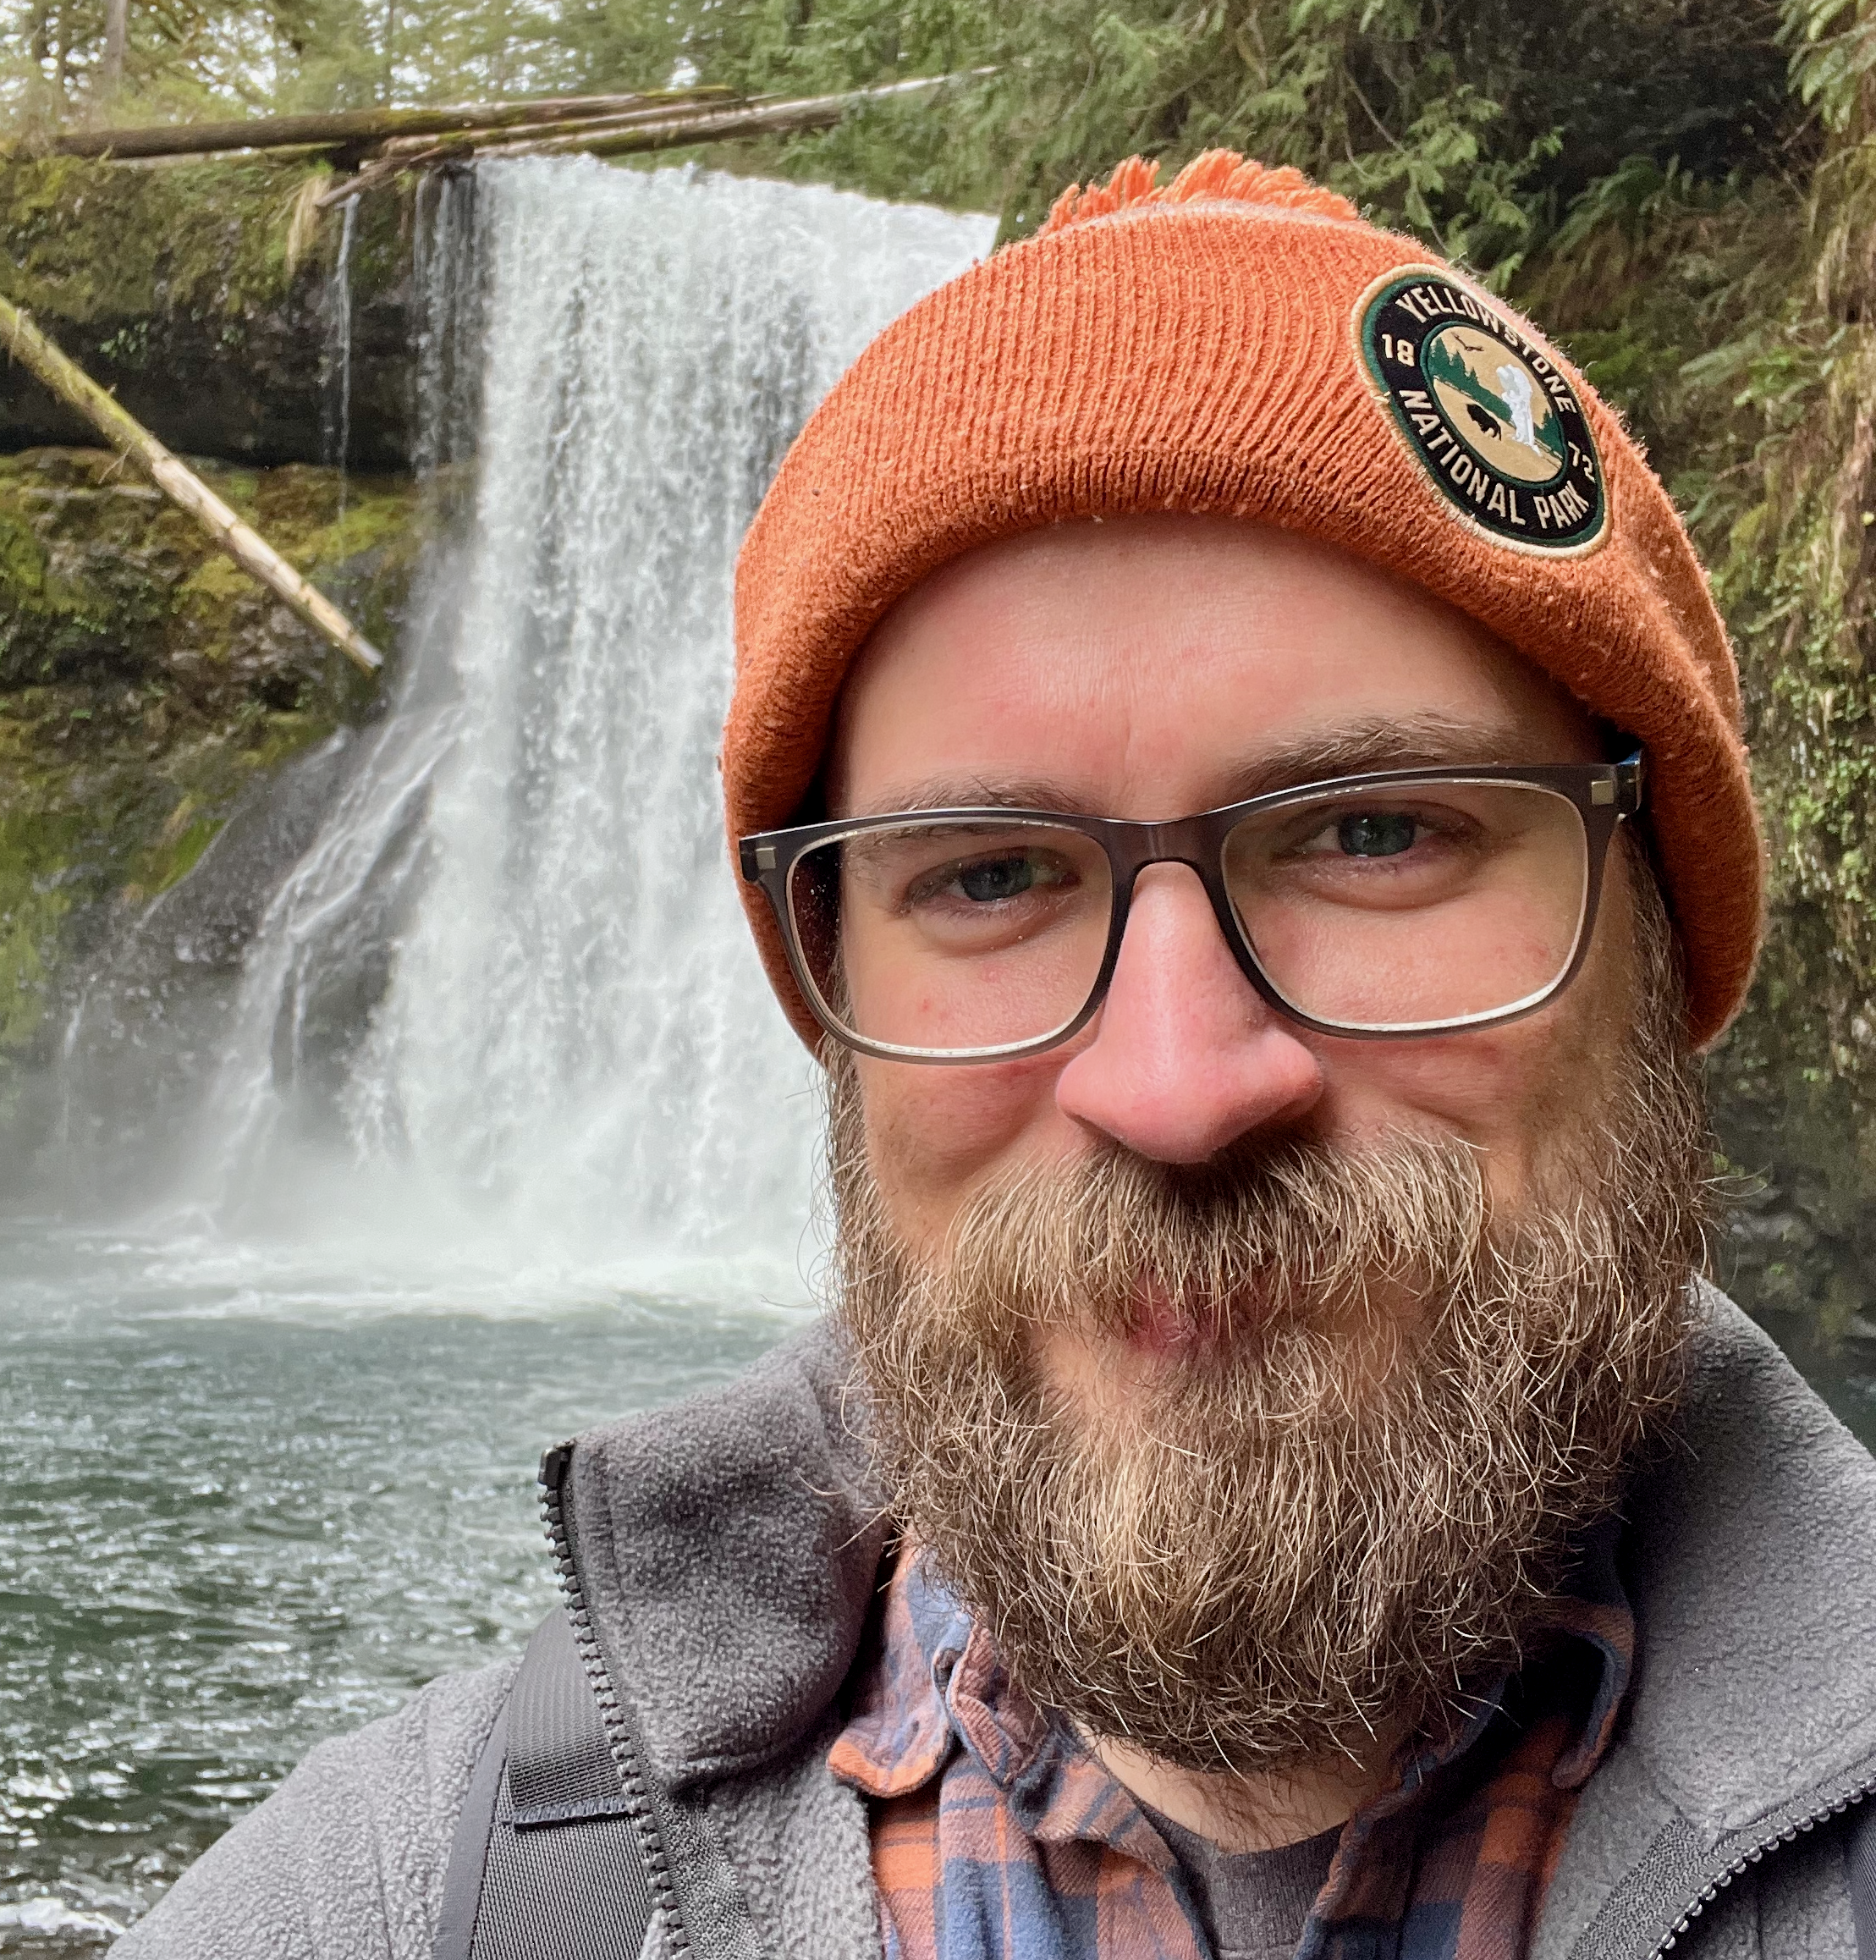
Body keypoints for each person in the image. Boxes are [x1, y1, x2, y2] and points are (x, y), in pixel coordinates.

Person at [111, 151, 1876, 1960]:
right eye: (992, 875)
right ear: (830, 1002)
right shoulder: (398, 1901)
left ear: (1666, 940)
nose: (1178, 1087)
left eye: (1374, 836)